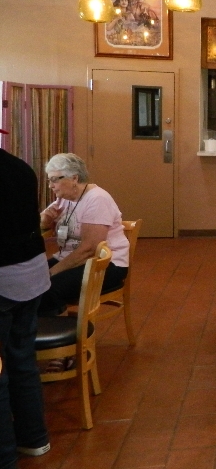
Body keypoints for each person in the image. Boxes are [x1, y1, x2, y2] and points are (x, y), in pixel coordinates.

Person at [0, 128, 51, 465]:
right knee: (22, 358)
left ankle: (4, 455)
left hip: (4, 277)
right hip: (31, 273)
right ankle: (34, 439)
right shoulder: (20, 167)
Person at [38, 154, 129, 328]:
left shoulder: (97, 199)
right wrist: (45, 219)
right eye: (49, 180)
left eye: (54, 180)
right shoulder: (65, 198)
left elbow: (89, 249)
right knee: (28, 280)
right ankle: (32, 332)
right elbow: (43, 221)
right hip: (74, 259)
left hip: (106, 265)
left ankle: (57, 338)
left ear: (74, 178)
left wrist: (52, 272)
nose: (50, 186)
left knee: (46, 289)